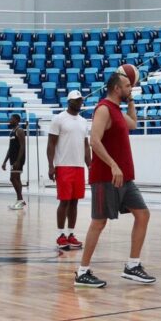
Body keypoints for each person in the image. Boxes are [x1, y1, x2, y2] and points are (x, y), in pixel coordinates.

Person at [75, 72, 155, 288]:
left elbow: (134, 124)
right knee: (99, 222)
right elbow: (94, 141)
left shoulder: (118, 111)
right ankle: (82, 272)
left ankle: (132, 266)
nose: (131, 88)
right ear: (116, 89)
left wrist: (131, 102)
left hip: (125, 178)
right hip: (106, 177)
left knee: (143, 214)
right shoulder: (103, 109)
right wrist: (113, 164)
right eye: (128, 86)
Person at [47, 90, 91, 250]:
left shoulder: (83, 121)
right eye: (76, 100)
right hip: (63, 166)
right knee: (64, 201)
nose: (79, 102)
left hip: (78, 166)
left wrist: (90, 165)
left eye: (80, 100)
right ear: (69, 102)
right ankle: (60, 235)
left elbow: (86, 145)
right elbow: (51, 143)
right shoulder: (58, 119)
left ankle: (71, 234)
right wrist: (51, 165)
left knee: (75, 202)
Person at [1, 113, 26, 209]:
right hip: (13, 159)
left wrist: (18, 161)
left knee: (13, 178)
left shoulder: (19, 131)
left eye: (11, 119)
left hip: (18, 159)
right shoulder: (12, 131)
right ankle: (20, 201)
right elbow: (10, 148)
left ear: (17, 120)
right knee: (17, 179)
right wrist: (5, 161)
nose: (10, 120)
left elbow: (23, 146)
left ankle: (20, 200)